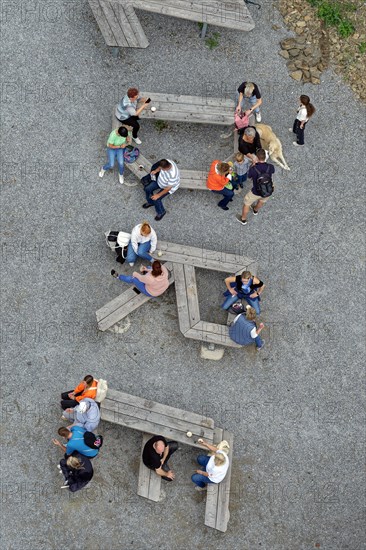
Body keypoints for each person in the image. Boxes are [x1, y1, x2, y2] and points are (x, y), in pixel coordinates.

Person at [237, 148, 275, 225]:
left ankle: (243, 219)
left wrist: (253, 165)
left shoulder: (254, 169)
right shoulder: (270, 166)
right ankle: (255, 210)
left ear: (257, 158)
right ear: (265, 157)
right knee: (261, 200)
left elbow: (249, 176)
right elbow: (273, 171)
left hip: (255, 192)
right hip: (267, 189)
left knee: (246, 204)